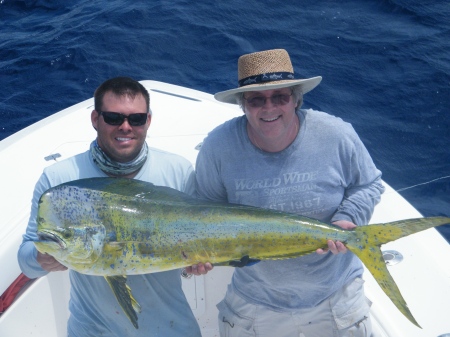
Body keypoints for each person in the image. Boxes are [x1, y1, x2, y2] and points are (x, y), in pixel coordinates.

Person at [195, 49, 385, 337]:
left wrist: (348, 216)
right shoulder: (217, 148)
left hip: (335, 295)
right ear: (242, 104)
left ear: (296, 98)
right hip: (255, 302)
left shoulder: (336, 134)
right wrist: (195, 261)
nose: (269, 108)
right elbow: (207, 216)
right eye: (256, 99)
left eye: (280, 97)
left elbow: (369, 184)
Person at [18, 77, 211, 337]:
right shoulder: (59, 180)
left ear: (148, 121)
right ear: (95, 119)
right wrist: (41, 258)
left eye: (136, 119)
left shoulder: (178, 170)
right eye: (113, 118)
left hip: (171, 329)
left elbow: (201, 239)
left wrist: (195, 264)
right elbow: (26, 259)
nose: (125, 127)